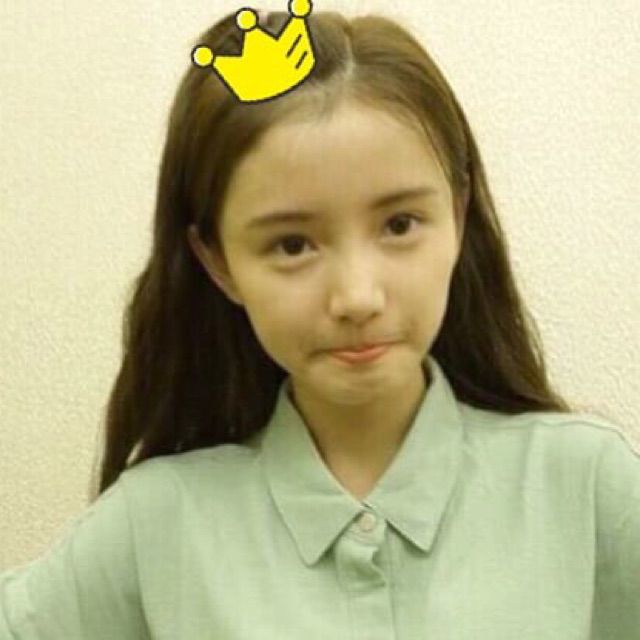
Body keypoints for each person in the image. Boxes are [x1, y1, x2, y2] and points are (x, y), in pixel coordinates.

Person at [2, 5, 639, 639]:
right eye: (292, 245)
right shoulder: (152, 526)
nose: (357, 297)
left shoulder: (587, 488)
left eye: (399, 225)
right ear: (217, 261)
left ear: (458, 212)